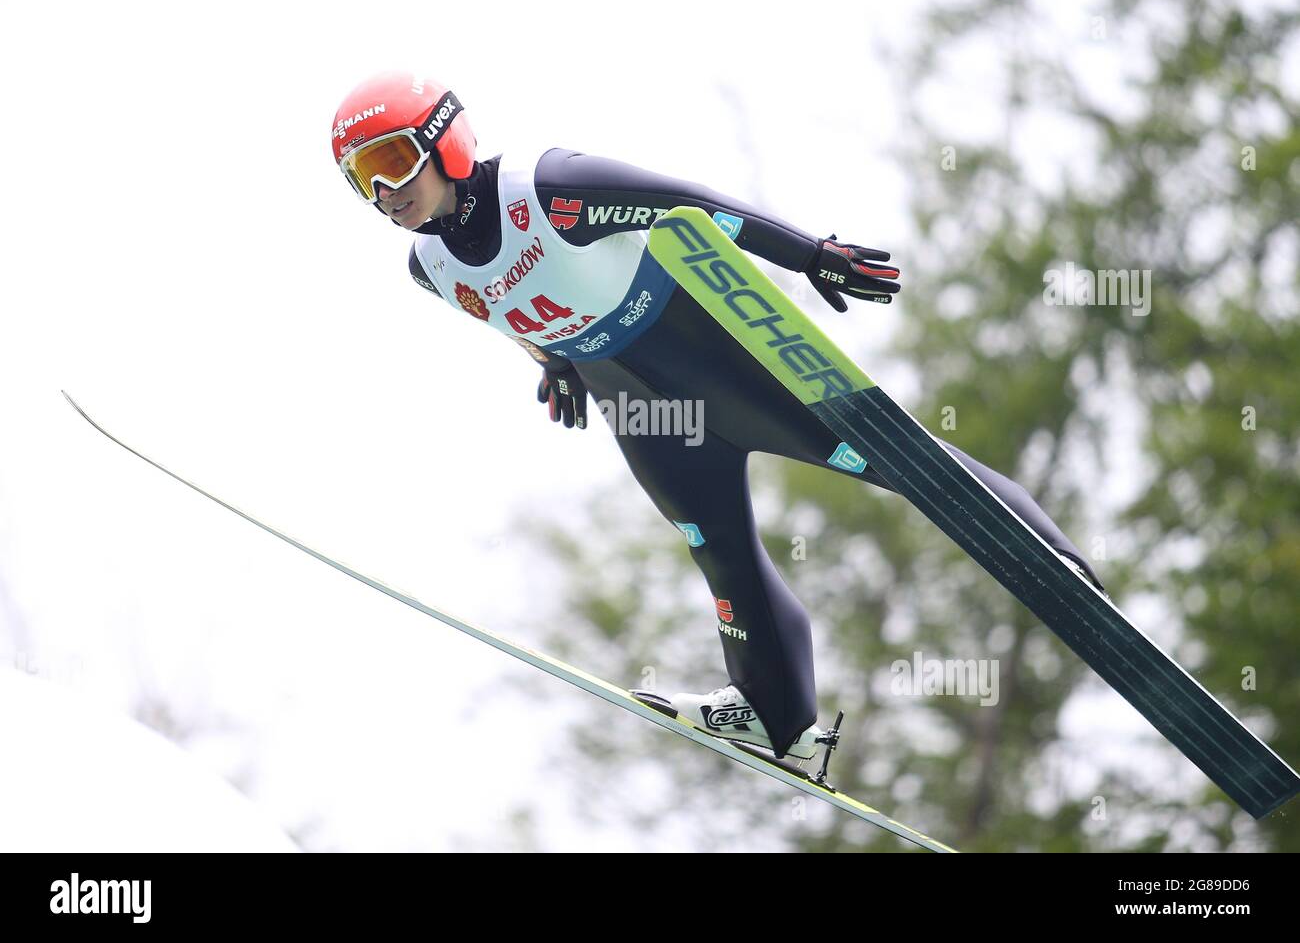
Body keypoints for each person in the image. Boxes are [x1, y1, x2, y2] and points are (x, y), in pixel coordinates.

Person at [331, 71, 1104, 761]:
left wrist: (812, 254)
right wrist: (557, 371)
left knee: (901, 465)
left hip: (719, 364)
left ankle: (1053, 561)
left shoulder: (548, 187)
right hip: (639, 408)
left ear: (445, 140)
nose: (384, 191)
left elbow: (692, 206)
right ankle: (781, 720)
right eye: (363, 179)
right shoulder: (428, 269)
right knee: (719, 552)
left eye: (393, 161)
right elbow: (510, 312)